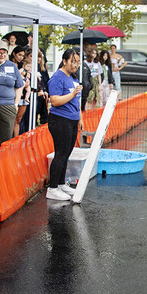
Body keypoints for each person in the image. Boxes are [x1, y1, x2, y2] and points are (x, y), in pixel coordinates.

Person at [46, 48, 84, 201]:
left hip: (72, 120)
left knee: (66, 154)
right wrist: (72, 94)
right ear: (64, 61)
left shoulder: (73, 77)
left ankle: (61, 183)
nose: (76, 65)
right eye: (73, 61)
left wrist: (80, 118)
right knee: (60, 154)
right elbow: (54, 101)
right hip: (60, 120)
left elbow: (77, 101)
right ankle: (52, 188)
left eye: (78, 62)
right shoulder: (57, 78)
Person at [0, 40, 24, 146]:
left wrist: (16, 103)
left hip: (8, 105)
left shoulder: (12, 66)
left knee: (5, 139)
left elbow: (19, 86)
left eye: (4, 52)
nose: (2, 55)